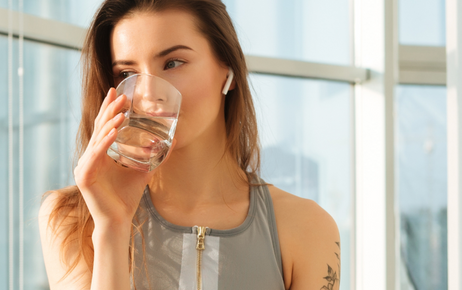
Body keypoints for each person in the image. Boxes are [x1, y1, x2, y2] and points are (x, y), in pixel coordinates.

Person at [39, 0, 341, 289]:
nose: (147, 94)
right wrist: (112, 228)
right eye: (127, 74)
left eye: (173, 63)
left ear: (228, 70)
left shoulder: (307, 227)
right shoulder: (72, 218)